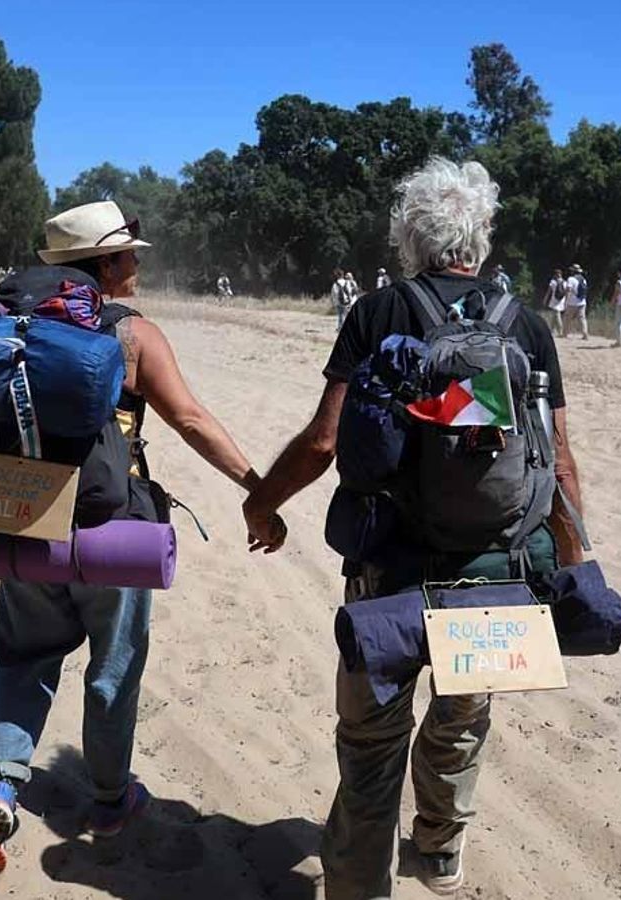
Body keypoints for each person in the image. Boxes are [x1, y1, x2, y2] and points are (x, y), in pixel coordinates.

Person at [241, 158, 586, 899]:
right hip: (494, 575)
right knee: (461, 718)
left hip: (389, 571)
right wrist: (573, 559)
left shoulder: (376, 313)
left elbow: (324, 441)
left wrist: (262, 502)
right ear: (480, 237)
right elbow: (558, 460)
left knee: (370, 747)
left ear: (410, 236)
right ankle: (436, 847)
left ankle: (359, 887)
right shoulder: (523, 324)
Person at [0, 201, 280, 872]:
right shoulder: (133, 334)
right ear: (104, 264)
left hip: (25, 517)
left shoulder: (14, 324)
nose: (137, 264)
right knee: (113, 668)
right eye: (131, 255)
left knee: (22, 658)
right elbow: (189, 419)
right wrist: (259, 486)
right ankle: (109, 799)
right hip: (112, 528)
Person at [564, 264, 589, 339]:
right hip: (582, 302)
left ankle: (565, 333)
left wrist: (566, 301)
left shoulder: (571, 279)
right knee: (582, 318)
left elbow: (568, 290)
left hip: (572, 302)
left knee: (567, 318)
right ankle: (585, 333)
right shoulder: (583, 280)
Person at [544, 267, 567, 334]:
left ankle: (560, 330)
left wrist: (545, 299)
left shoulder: (553, 282)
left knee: (557, 315)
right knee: (555, 315)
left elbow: (549, 291)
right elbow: (566, 292)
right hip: (561, 301)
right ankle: (552, 330)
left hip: (554, 300)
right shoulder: (564, 282)